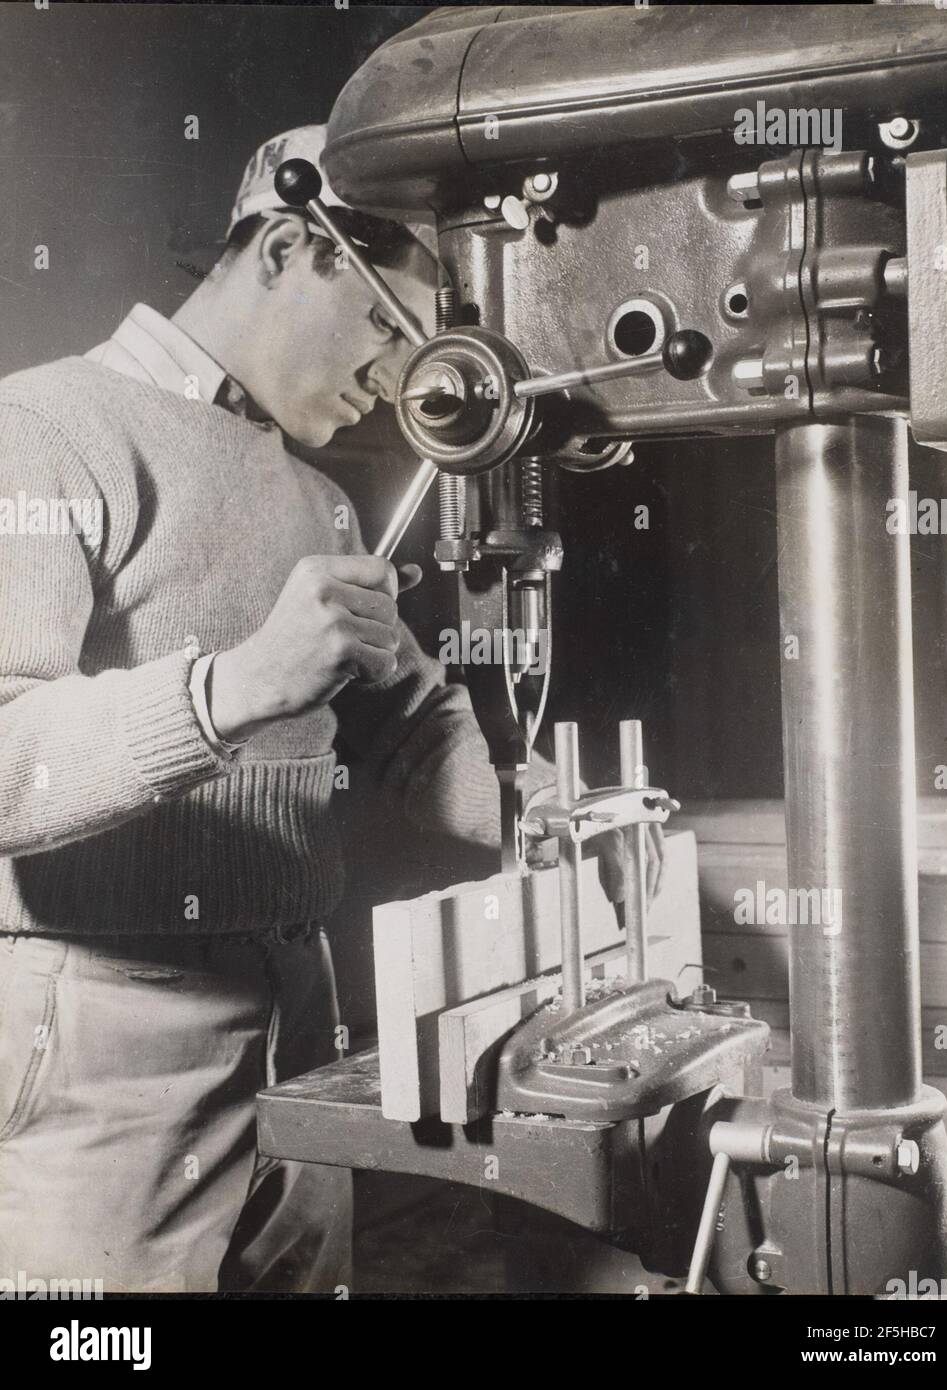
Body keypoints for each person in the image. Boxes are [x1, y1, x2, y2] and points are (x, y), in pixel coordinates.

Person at [0, 126, 660, 1293]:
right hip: (99, 1039)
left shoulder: (315, 496)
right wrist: (238, 687)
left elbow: (402, 723)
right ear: (294, 245)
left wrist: (535, 814)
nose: (400, 381)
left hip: (297, 1025)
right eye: (387, 331)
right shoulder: (41, 431)